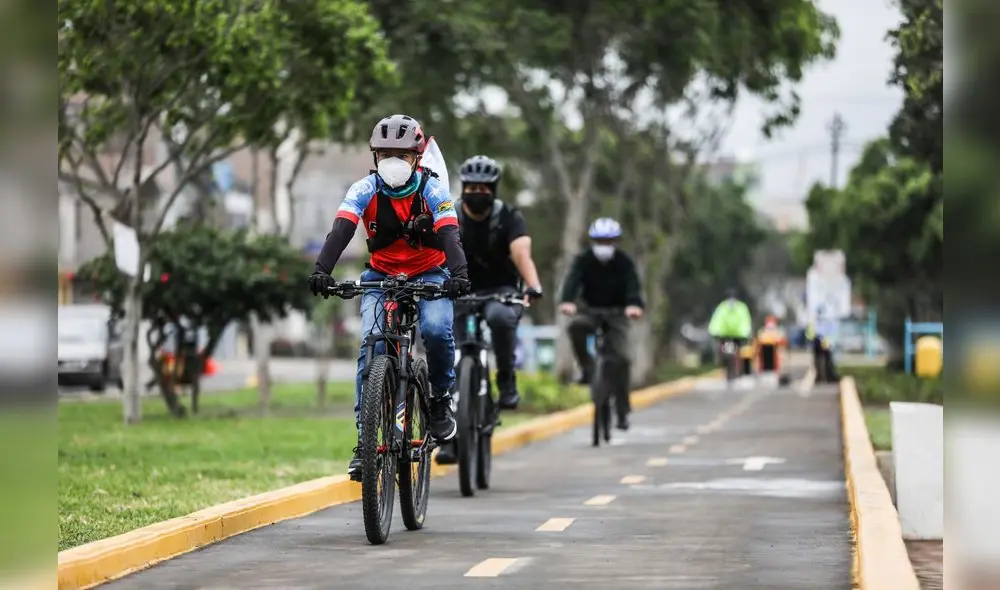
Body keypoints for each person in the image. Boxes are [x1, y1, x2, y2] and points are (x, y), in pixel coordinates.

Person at [307, 114, 471, 478]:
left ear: (417, 157)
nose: (393, 162)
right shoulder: (363, 189)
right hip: (381, 276)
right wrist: (322, 270)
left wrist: (458, 275)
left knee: (436, 328)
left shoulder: (433, 190)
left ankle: (441, 400)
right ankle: (365, 443)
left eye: (402, 155)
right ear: (375, 157)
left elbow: (449, 235)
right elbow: (341, 230)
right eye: (385, 154)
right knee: (371, 344)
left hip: (431, 274)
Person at [434, 155, 544, 465]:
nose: (477, 192)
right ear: (464, 188)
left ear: (493, 190)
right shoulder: (450, 215)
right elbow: (436, 253)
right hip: (459, 289)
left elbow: (522, 254)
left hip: (501, 290)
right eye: (472, 187)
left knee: (499, 318)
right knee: (448, 352)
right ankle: (449, 438)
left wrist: (532, 286)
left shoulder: (508, 216)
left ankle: (506, 380)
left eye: (484, 187)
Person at [558, 217, 644, 430]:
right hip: (590, 310)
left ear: (615, 242)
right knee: (575, 327)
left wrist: (633, 305)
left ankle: (622, 411)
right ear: (593, 241)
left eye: (608, 241)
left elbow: (633, 286)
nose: (604, 246)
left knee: (622, 359)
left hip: (617, 314)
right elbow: (572, 281)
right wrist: (567, 301)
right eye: (600, 241)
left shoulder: (624, 262)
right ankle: (587, 368)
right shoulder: (584, 260)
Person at [707, 289, 753, 372]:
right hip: (725, 335)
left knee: (742, 352)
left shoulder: (741, 307)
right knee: (721, 350)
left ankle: (739, 366)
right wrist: (714, 330)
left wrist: (746, 331)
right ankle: (723, 363)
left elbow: (745, 321)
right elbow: (717, 319)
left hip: (738, 335)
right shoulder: (723, 307)